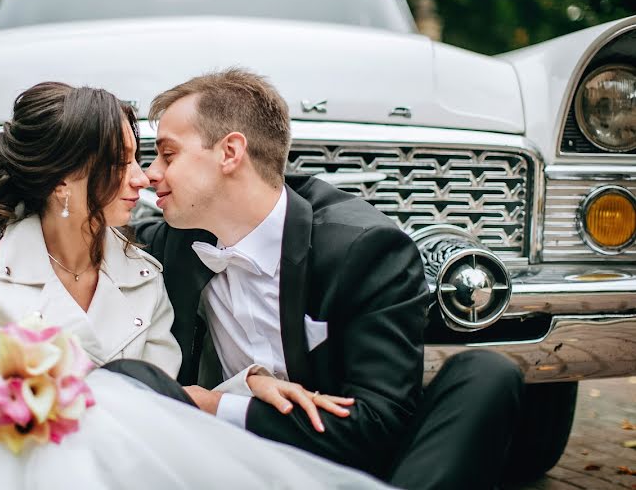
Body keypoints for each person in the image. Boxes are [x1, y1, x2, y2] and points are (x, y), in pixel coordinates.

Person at [0, 82, 392, 490]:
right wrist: (13, 411)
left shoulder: (145, 276)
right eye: (121, 161)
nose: (142, 177)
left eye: (143, 158)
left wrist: (247, 386)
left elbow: (160, 408)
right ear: (64, 178)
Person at [115, 68, 524, 489]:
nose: (149, 174)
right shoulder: (172, 243)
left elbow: (378, 424)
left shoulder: (365, 249)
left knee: (487, 374)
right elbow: (78, 232)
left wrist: (215, 405)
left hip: (348, 459)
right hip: (227, 464)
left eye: (168, 154)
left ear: (230, 152)